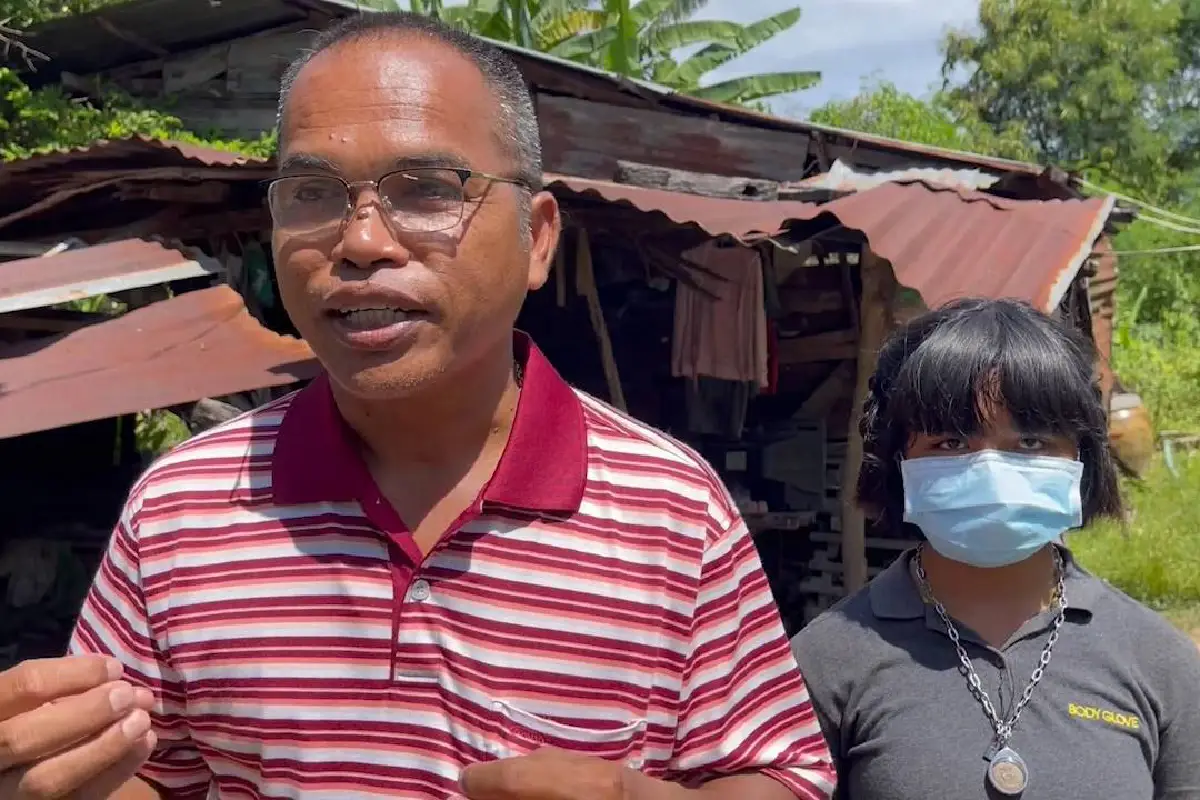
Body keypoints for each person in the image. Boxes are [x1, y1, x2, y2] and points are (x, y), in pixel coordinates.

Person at [0, 12, 835, 800]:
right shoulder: (181, 509)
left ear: (537, 238)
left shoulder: (671, 510)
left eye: (428, 189)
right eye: (314, 193)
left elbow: (784, 776)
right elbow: (144, 778)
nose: (361, 242)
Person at [790, 298, 1200, 800]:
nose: (990, 469)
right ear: (897, 463)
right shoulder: (828, 661)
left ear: (1083, 460)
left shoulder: (1160, 662)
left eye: (1030, 443)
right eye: (951, 443)